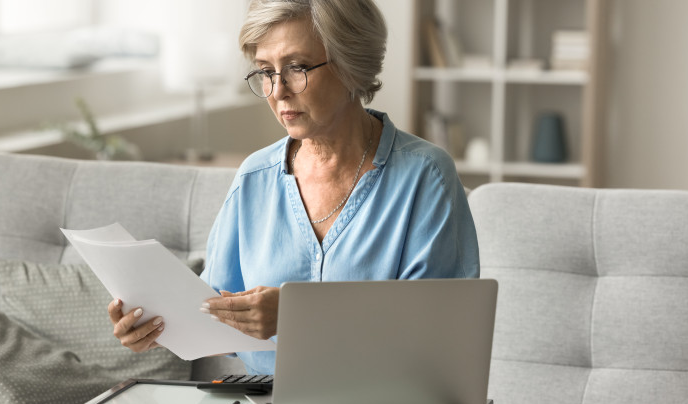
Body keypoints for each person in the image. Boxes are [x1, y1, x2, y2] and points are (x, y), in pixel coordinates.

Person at [108, 0, 479, 376]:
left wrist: (297, 315)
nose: (278, 91)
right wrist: (157, 325)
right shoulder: (255, 177)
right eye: (266, 72)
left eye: (297, 68)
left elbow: (438, 332)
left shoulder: (425, 176)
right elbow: (214, 312)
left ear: (351, 64)